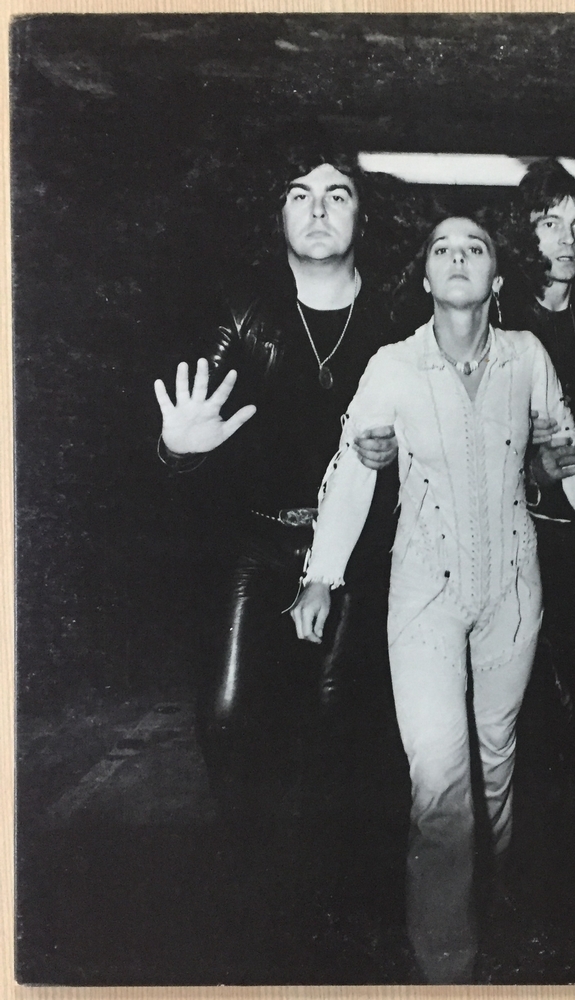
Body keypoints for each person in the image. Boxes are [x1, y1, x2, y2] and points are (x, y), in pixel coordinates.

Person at [290, 211, 575, 983]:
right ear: (424, 276)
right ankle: (446, 965)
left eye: (474, 248)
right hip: (424, 593)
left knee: (494, 764)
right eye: (443, 250)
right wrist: (321, 574)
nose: (457, 258)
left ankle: (496, 900)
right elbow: (351, 467)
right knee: (440, 779)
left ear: (498, 276)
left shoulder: (527, 357)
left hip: (513, 589)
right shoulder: (393, 365)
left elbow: (567, 446)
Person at [153, 144, 401, 822]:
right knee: (230, 723)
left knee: (342, 736)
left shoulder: (394, 318)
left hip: (358, 553)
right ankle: (247, 873)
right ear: (278, 214)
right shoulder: (240, 311)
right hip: (255, 545)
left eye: (336, 195)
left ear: (363, 216)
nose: (318, 210)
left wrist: (401, 454)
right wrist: (178, 449)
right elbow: (180, 446)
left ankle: (334, 879)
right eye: (299, 194)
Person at [501, 158, 575, 728]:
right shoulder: (501, 324)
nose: (568, 240)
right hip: (519, 543)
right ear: (525, 232)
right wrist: (533, 470)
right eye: (550, 223)